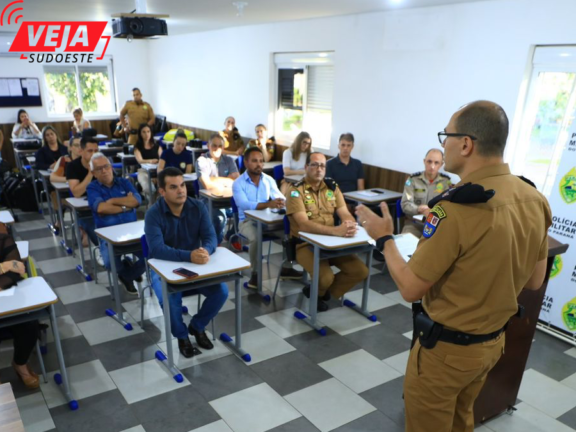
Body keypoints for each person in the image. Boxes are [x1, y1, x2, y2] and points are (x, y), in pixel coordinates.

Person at [355, 101, 552, 432]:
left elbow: (409, 287)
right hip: (491, 345)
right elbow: (535, 280)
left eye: (446, 135)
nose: (443, 144)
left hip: (446, 354)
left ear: (466, 143)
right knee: (461, 420)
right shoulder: (533, 199)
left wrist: (384, 238)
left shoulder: (455, 210)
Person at [145, 167, 229, 358]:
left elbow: (211, 237)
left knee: (221, 291)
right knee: (171, 298)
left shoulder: (197, 207)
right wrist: (189, 255)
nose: (181, 190)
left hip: (193, 267)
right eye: (173, 187)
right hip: (162, 269)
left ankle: (197, 326)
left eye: (182, 185)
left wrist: (205, 250)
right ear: (162, 191)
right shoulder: (153, 214)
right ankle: (182, 337)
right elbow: (157, 249)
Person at [286, 152, 369, 311]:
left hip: (332, 242)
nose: (319, 169)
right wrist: (336, 231)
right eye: (315, 165)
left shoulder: (332, 187)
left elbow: (344, 212)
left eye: (322, 165)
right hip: (304, 245)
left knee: (360, 271)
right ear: (306, 167)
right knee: (325, 277)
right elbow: (303, 224)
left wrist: (349, 224)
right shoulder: (296, 191)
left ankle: (320, 294)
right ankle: (319, 292)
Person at [233, 147, 303, 287]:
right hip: (246, 222)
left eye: (261, 161)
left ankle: (287, 269)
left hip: (267, 220)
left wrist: (281, 202)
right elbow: (244, 204)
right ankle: (255, 274)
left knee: (289, 232)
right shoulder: (238, 183)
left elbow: (279, 196)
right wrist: (268, 204)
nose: (259, 164)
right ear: (246, 163)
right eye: (254, 161)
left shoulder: (268, 180)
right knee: (255, 237)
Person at [87, 153, 145, 295]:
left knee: (153, 253)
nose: (104, 171)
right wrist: (126, 204)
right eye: (99, 169)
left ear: (111, 167)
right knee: (108, 263)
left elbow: (137, 201)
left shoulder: (124, 182)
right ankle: (126, 272)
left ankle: (128, 274)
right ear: (94, 173)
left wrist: (112, 201)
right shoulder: (92, 188)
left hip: (132, 232)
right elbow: (101, 208)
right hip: (108, 235)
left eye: (106, 166)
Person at [0, 232, 40, 389]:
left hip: (5, 295)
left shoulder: (1, 234)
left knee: (29, 323)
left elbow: (19, 268)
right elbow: (10, 266)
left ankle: (20, 364)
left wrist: (8, 269)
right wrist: (4, 266)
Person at [196, 133, 239, 244]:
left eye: (220, 146)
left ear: (223, 148)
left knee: (245, 210)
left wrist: (214, 180)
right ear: (208, 146)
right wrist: (227, 180)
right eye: (214, 145)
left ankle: (231, 235)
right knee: (219, 217)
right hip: (208, 200)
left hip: (228, 199)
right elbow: (207, 185)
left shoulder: (229, 160)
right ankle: (215, 244)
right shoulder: (202, 161)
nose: (216, 148)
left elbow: (237, 180)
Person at [400, 149, 452, 237]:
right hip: (414, 224)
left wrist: (432, 213)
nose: (432, 166)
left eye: (436, 163)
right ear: (424, 161)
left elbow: (448, 206)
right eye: (429, 161)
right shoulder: (413, 180)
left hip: (435, 225)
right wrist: (420, 209)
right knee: (405, 245)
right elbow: (405, 204)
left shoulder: (446, 182)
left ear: (441, 164)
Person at [66, 137, 101, 262]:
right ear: (81, 151)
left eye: (96, 151)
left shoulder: (103, 163)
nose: (93, 154)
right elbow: (76, 192)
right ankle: (104, 250)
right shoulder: (72, 167)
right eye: (90, 151)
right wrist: (91, 173)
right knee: (94, 229)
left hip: (104, 205)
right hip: (84, 210)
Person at [134, 123, 163, 200]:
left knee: (162, 188)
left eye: (148, 131)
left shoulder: (157, 146)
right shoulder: (138, 147)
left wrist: (156, 176)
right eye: (144, 132)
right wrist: (150, 161)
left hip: (157, 170)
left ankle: (154, 203)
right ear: (140, 134)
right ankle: (151, 203)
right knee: (150, 188)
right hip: (143, 171)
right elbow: (140, 160)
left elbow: (162, 159)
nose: (146, 134)